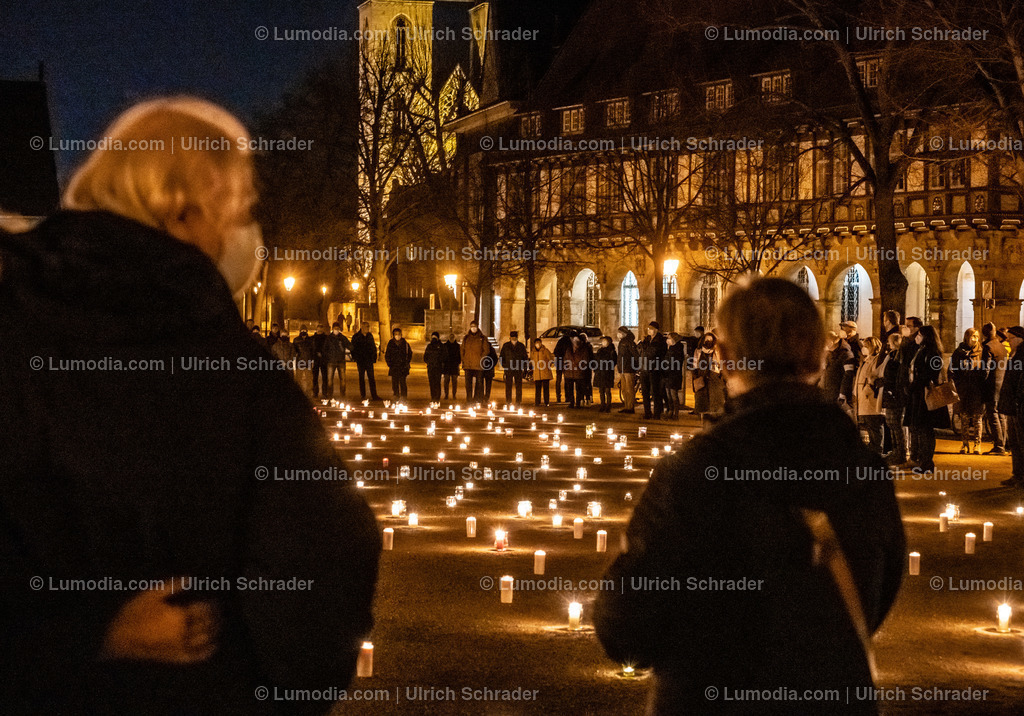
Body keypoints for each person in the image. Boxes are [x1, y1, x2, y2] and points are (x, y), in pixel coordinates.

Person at [0, 96, 380, 714]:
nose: (242, 235)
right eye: (238, 211)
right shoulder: (234, 370)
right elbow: (320, 564)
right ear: (183, 210)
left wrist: (78, 635)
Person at [593, 277, 904, 715]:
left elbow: (626, 620)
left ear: (722, 356)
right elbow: (877, 595)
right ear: (818, 355)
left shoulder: (696, 469)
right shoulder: (865, 471)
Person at [903, 325, 949, 474]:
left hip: (924, 394)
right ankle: (923, 460)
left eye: (919, 335)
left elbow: (929, 373)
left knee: (925, 429)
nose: (916, 337)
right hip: (917, 394)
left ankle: (927, 462)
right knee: (920, 428)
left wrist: (914, 385)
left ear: (926, 337)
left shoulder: (933, 353)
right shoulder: (920, 350)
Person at [950, 328, 988, 455]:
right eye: (972, 336)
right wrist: (956, 383)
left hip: (977, 390)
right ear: (966, 337)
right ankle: (965, 443)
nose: (975, 339)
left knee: (978, 417)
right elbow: (952, 370)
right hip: (963, 389)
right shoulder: (958, 353)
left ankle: (977, 444)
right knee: (965, 418)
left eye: (976, 337)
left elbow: (985, 370)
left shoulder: (981, 352)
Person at [997, 326, 1024, 486]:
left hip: (1017, 404)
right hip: (1011, 404)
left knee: (1021, 441)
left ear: (1020, 339)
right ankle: (1017, 474)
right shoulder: (1014, 353)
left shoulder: (1021, 354)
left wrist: (1017, 400)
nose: (1008, 342)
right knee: (1014, 442)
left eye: (1011, 339)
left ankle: (1021, 476)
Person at [879, 334, 907, 465]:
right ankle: (896, 451)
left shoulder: (900, 356)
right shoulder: (892, 355)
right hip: (890, 392)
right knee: (891, 423)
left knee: (896, 424)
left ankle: (901, 452)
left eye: (890, 342)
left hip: (896, 394)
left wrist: (893, 389)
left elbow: (897, 374)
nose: (888, 344)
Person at [854, 337, 886, 453]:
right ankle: (873, 447)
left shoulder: (876, 360)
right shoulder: (866, 360)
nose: (864, 348)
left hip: (870, 397)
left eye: (866, 346)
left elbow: (874, 376)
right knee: (869, 425)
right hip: (863, 397)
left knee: (874, 425)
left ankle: (877, 448)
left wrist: (867, 389)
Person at [981, 322, 1008, 455]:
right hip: (1001, 384)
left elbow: (985, 369)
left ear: (984, 333)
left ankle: (999, 446)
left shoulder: (988, 347)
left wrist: (980, 382)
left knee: (993, 414)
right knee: (1001, 415)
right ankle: (1003, 443)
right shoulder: (1001, 347)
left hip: (991, 386)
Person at [692, 331, 725, 427]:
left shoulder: (717, 351)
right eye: (707, 339)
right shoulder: (698, 351)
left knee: (715, 403)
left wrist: (720, 376)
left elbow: (721, 364)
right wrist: (695, 376)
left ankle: (715, 424)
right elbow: (694, 365)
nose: (708, 341)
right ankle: (704, 424)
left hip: (714, 378)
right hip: (702, 378)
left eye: (710, 340)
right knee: (703, 403)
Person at [822, 331, 856, 415]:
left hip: (837, 394)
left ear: (832, 341)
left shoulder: (846, 354)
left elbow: (848, 375)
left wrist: (842, 393)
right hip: (828, 393)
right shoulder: (829, 354)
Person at [639, 321, 668, 419]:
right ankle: (647, 412)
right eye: (648, 328)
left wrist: (644, 345)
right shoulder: (647, 340)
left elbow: (652, 352)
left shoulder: (660, 341)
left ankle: (657, 413)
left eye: (650, 329)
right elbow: (640, 351)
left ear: (655, 330)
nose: (648, 331)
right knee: (645, 392)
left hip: (654, 369)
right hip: (644, 368)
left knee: (656, 392)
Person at [351, 321, 380, 401]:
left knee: (371, 378)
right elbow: (353, 348)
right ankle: (363, 395)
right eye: (366, 326)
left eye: (368, 326)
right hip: (361, 360)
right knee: (361, 378)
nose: (368, 328)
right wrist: (355, 357)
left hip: (369, 360)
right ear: (362, 327)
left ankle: (374, 395)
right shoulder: (356, 336)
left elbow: (373, 347)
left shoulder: (370, 336)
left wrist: (374, 357)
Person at [461, 321, 489, 403]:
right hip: (468, 365)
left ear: (477, 327)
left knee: (479, 383)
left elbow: (486, 350)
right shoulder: (466, 338)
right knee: (468, 384)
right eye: (472, 326)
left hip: (478, 365)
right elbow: (462, 350)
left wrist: (481, 358)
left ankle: (478, 399)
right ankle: (469, 399)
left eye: (475, 326)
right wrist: (464, 359)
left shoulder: (482, 338)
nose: (473, 328)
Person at [499, 331, 529, 405]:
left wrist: (524, 367)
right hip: (509, 368)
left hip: (518, 368)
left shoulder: (521, 346)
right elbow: (501, 357)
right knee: (508, 386)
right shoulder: (506, 346)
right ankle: (508, 400)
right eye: (512, 337)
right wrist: (505, 365)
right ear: (510, 337)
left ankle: (518, 401)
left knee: (518, 386)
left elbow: (525, 358)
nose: (514, 338)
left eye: (515, 337)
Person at [615, 326, 639, 414]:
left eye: (619, 332)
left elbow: (635, 355)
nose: (618, 334)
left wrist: (636, 367)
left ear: (624, 333)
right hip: (622, 368)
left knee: (629, 389)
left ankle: (630, 407)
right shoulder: (622, 342)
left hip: (628, 368)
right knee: (624, 389)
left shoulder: (629, 342)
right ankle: (626, 406)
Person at [384, 326, 413, 400]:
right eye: (396, 334)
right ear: (393, 335)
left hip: (403, 366)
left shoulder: (405, 343)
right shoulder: (391, 343)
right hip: (394, 366)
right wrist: (389, 363)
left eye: (399, 334)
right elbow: (387, 354)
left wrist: (406, 362)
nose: (397, 336)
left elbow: (409, 353)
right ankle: (396, 394)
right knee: (395, 382)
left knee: (403, 382)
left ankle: (404, 396)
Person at [663, 332, 686, 420]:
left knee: (673, 395)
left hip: (674, 375)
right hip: (668, 374)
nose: (667, 340)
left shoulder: (677, 349)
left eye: (669, 338)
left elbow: (676, 363)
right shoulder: (670, 348)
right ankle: (670, 411)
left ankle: (676, 413)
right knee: (668, 394)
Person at [325, 322, 351, 399]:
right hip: (331, 361)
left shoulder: (342, 338)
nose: (336, 330)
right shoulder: (329, 338)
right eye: (335, 328)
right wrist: (328, 357)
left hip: (341, 361)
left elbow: (350, 346)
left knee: (343, 379)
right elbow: (325, 349)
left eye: (337, 329)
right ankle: (330, 394)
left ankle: (342, 394)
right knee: (330, 379)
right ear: (332, 329)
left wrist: (346, 346)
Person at [594, 336, 617, 413]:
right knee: (601, 391)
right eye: (602, 341)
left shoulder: (612, 351)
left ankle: (608, 406)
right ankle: (602, 405)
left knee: (607, 390)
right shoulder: (600, 351)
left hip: (607, 373)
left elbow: (613, 362)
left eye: (604, 341)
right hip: (600, 373)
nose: (603, 342)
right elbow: (596, 361)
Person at [562, 333, 587, 408]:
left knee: (579, 389)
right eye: (574, 341)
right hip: (569, 373)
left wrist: (581, 368)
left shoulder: (583, 350)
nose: (575, 342)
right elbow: (565, 359)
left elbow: (585, 361)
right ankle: (571, 402)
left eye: (577, 341)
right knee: (570, 389)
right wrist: (565, 368)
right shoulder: (568, 350)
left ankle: (578, 402)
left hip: (578, 372)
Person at [530, 338, 554, 407]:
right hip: (537, 373)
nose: (538, 344)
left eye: (539, 342)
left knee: (546, 389)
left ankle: (547, 402)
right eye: (536, 343)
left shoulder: (545, 351)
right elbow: (532, 361)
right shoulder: (533, 352)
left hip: (545, 372)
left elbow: (551, 359)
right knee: (537, 389)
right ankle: (537, 402)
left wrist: (548, 366)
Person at [423, 331, 445, 403]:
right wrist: (429, 362)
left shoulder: (441, 346)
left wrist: (439, 363)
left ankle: (437, 398)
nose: (434, 339)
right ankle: (433, 398)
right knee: (432, 383)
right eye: (433, 337)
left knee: (437, 383)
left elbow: (444, 356)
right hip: (431, 368)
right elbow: (425, 357)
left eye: (435, 337)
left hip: (438, 368)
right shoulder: (429, 346)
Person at [553, 331, 573, 403]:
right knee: (567, 380)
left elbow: (555, 352)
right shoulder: (569, 342)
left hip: (559, 362)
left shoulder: (560, 341)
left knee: (558, 380)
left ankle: (558, 397)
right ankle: (567, 397)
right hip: (566, 362)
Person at [293, 325, 314, 394]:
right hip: (299, 362)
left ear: (307, 331)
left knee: (309, 380)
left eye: (304, 330)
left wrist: (312, 360)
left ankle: (308, 393)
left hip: (308, 362)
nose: (303, 332)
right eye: (302, 330)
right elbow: (294, 351)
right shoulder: (296, 340)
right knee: (298, 380)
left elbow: (312, 351)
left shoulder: (310, 340)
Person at [311, 323, 330, 399]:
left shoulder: (326, 338)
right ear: (317, 329)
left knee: (324, 377)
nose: (320, 330)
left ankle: (324, 392)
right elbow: (311, 348)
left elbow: (328, 348)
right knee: (315, 377)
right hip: (315, 359)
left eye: (321, 329)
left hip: (323, 359)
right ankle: (315, 392)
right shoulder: (312, 338)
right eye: (319, 329)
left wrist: (323, 354)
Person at [441, 333, 461, 400]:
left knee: (454, 382)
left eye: (453, 337)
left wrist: (458, 362)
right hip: (447, 366)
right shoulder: (445, 346)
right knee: (446, 381)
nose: (452, 339)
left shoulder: (457, 346)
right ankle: (446, 395)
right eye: (451, 337)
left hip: (454, 366)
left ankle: (454, 395)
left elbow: (459, 356)